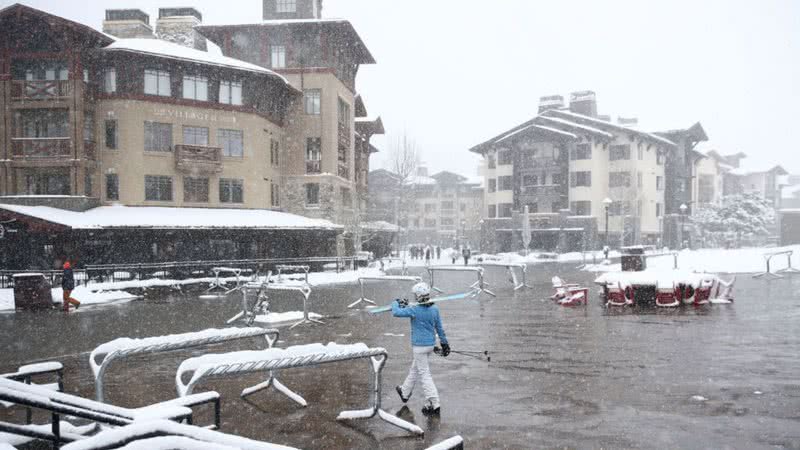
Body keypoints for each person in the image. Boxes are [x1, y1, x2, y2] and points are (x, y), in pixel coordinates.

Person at [392, 282, 449, 415]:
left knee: (424, 374)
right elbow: (439, 328)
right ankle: (405, 392)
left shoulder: (415, 310)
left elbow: (396, 312)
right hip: (429, 346)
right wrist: (445, 344)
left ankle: (434, 403)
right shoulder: (434, 309)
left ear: (418, 296)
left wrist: (395, 302)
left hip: (419, 347)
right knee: (415, 369)